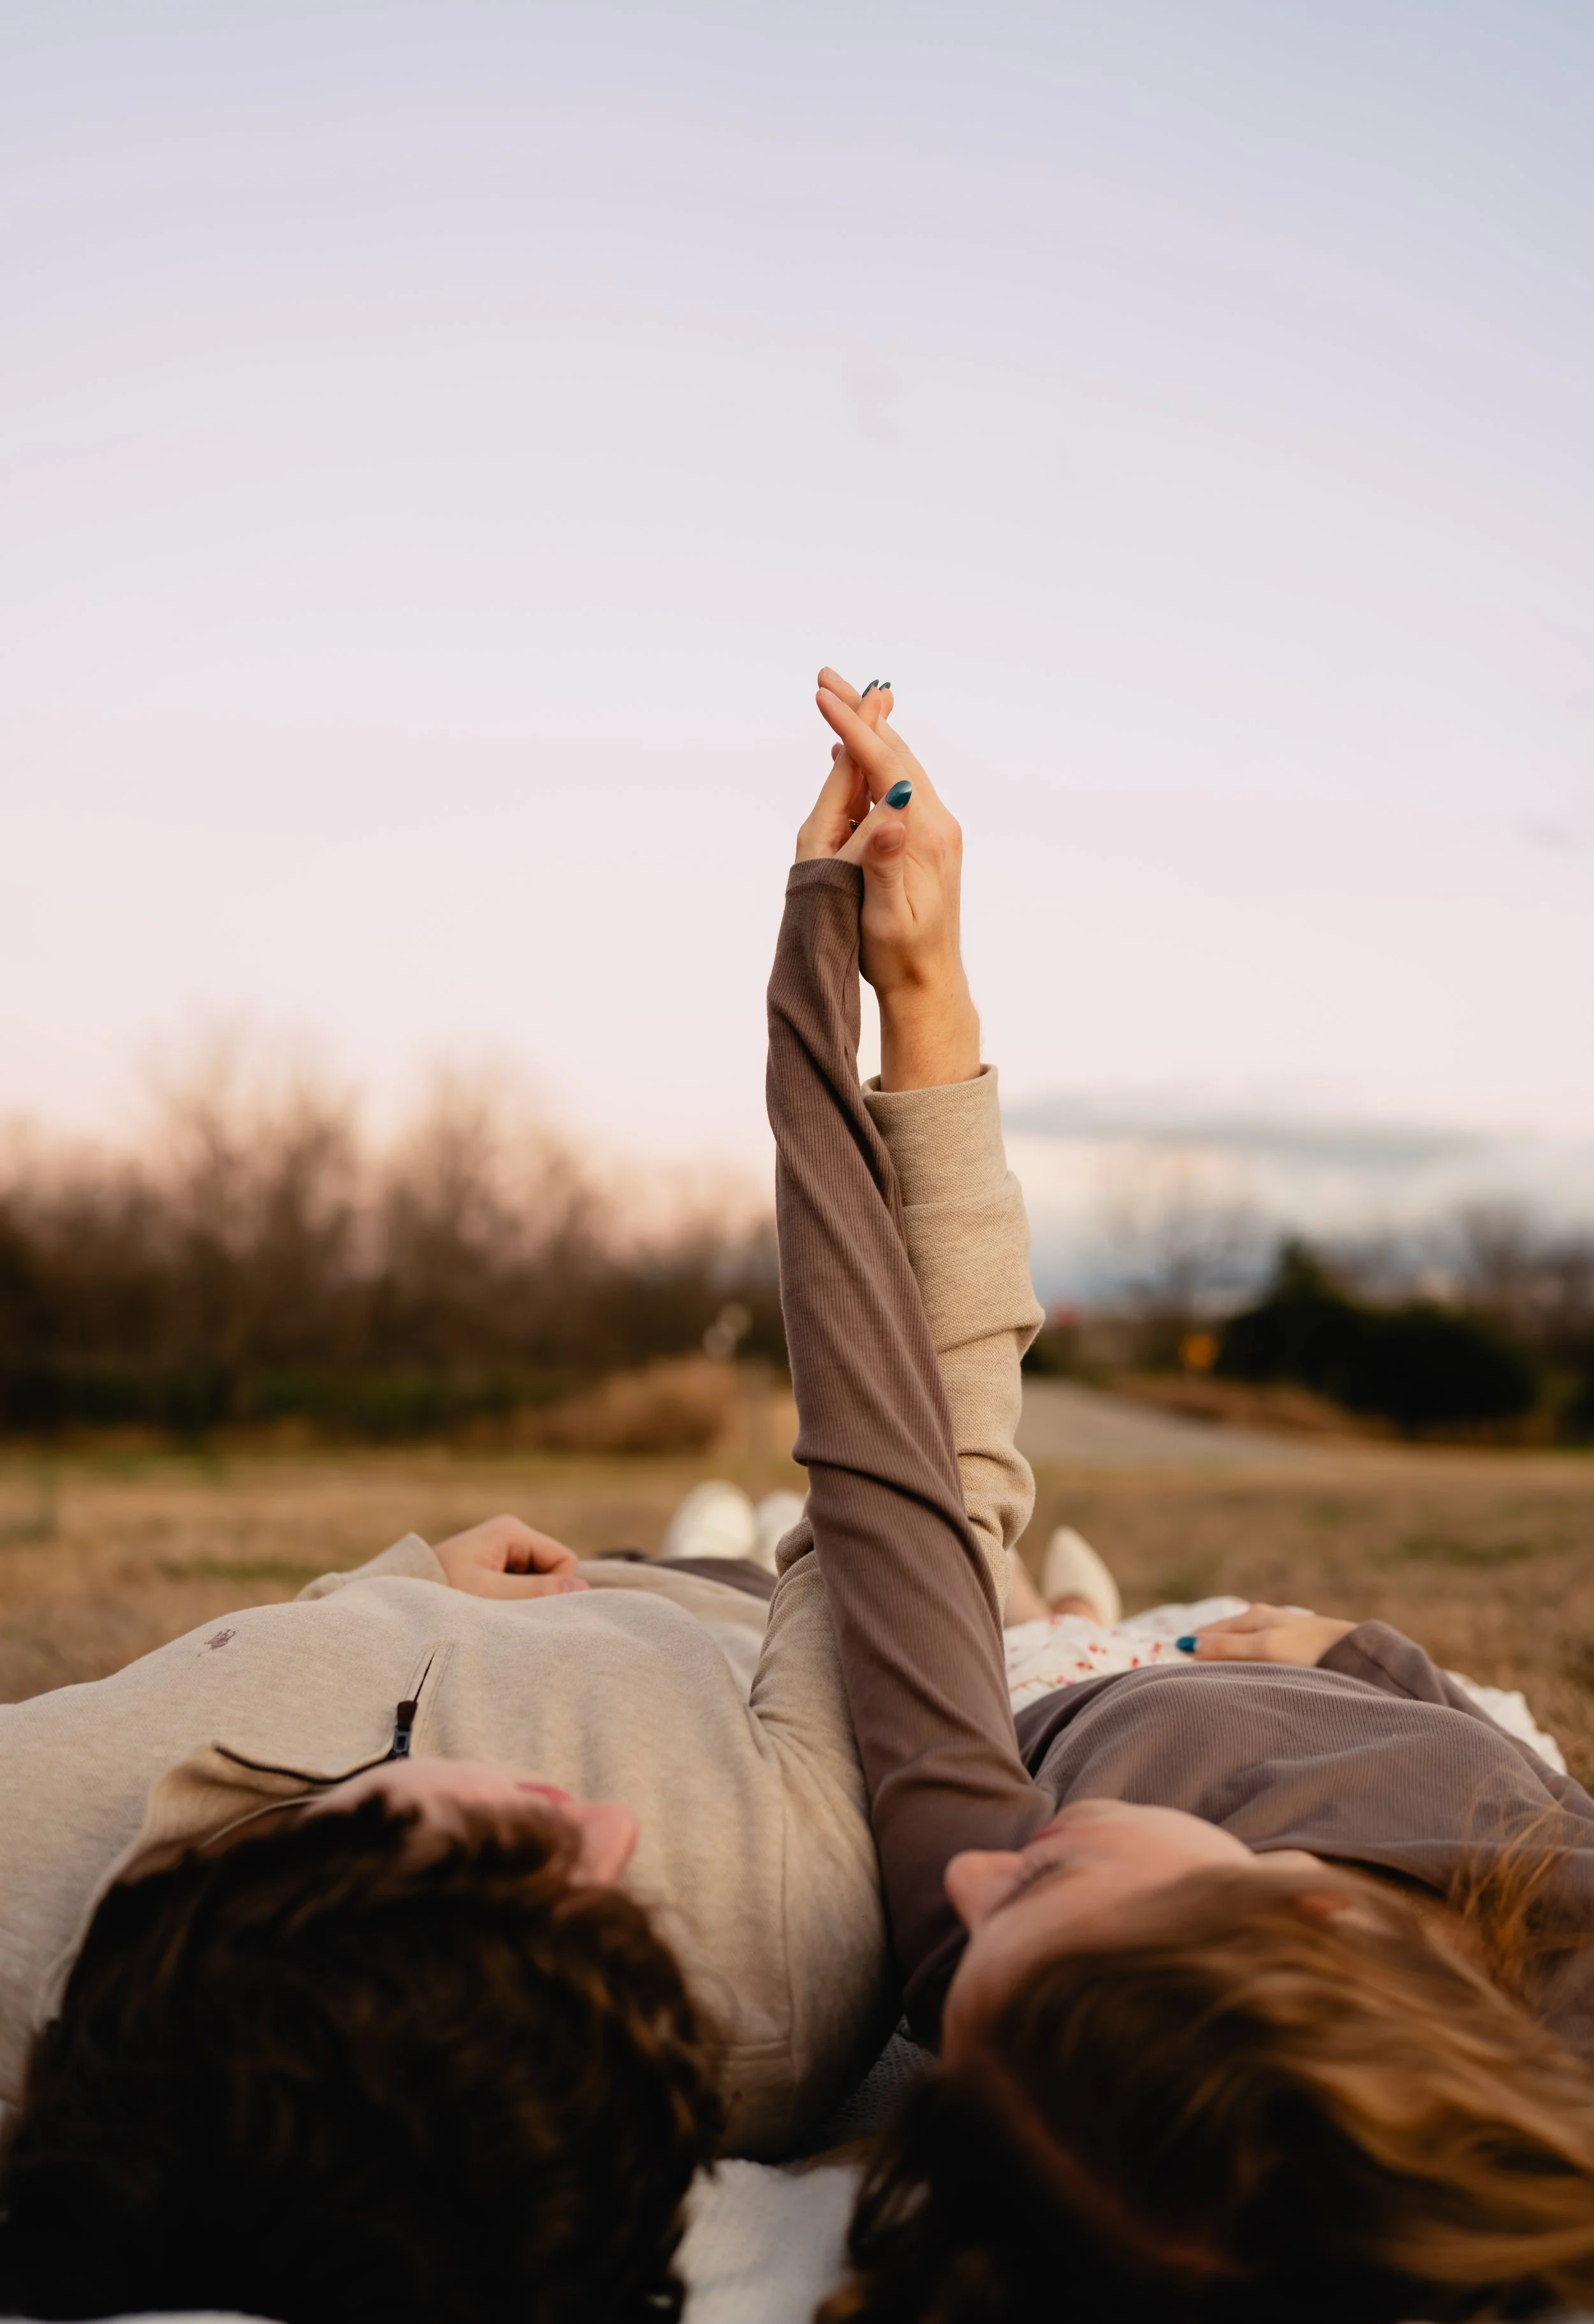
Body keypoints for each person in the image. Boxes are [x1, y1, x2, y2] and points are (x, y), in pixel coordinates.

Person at [0, 674, 1042, 2324]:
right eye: (623, 1904)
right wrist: (925, 996)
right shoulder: (771, 1944)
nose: (612, 1833)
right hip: (756, 1640)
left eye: (521, 1843)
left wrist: (383, 1589)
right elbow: (919, 1472)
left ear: (263, 1885)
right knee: (1005, 1613)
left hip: (505, 1588)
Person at [765, 673, 1594, 2324]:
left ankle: (1044, 1609)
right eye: (1045, 1884)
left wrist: (852, 965)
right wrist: (1369, 1658)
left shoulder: (987, 1954)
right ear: (1319, 1928)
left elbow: (888, 1462)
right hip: (1286, 1666)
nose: (971, 1888)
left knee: (954, 1586)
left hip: (1047, 1694)